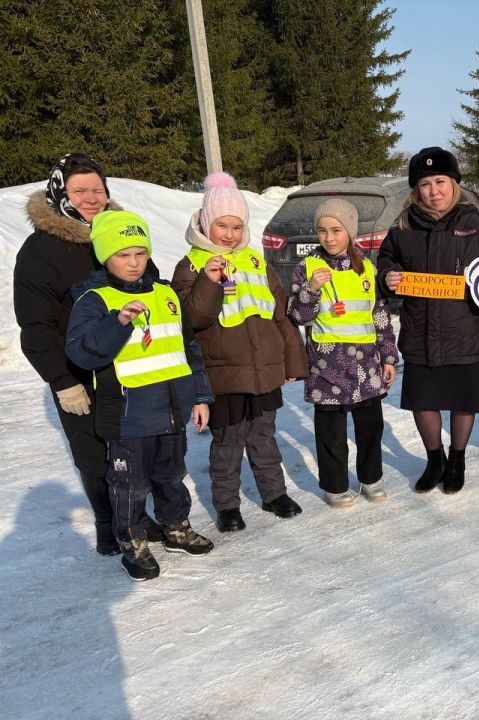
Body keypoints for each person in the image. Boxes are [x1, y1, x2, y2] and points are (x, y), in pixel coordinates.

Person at [13, 153, 164, 556]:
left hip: (131, 367)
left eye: (97, 189)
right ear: (61, 192)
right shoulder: (41, 249)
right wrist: (62, 381)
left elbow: (152, 286)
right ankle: (107, 525)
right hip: (78, 370)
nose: (91, 198)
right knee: (95, 453)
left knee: (133, 447)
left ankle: (136, 517)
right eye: (80, 190)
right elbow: (35, 324)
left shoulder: (121, 234)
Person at [65, 211, 215, 581]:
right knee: (130, 486)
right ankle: (133, 543)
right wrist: (117, 323)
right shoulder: (94, 300)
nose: (133, 263)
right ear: (105, 256)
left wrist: (199, 397)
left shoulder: (165, 293)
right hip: (128, 418)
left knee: (171, 477)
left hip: (172, 413)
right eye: (122, 255)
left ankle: (176, 527)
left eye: (139, 254)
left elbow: (187, 349)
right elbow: (82, 352)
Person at [377, 147, 479, 494]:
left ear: (454, 182)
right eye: (424, 184)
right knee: (422, 400)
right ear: (416, 189)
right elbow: (384, 261)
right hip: (420, 330)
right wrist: (389, 276)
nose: (433, 191)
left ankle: (457, 458)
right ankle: (434, 458)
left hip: (466, 329)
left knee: (462, 400)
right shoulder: (403, 225)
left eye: (440, 181)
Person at [171, 173, 308, 532]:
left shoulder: (255, 262)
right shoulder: (191, 267)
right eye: (221, 225)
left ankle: (274, 493)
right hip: (223, 374)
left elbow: (279, 314)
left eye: (236, 226)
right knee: (228, 442)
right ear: (205, 223)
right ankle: (227, 505)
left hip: (263, 372)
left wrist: (292, 359)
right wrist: (209, 281)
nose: (229, 233)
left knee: (263, 436)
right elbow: (192, 319)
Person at [288, 199, 399, 507]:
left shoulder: (366, 268)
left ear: (350, 232)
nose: (329, 237)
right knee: (331, 433)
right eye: (322, 231)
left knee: (370, 428)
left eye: (336, 230)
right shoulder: (306, 268)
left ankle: (370, 478)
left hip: (366, 367)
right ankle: (335, 485)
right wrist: (310, 289)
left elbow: (379, 317)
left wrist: (388, 358)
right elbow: (298, 316)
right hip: (327, 368)